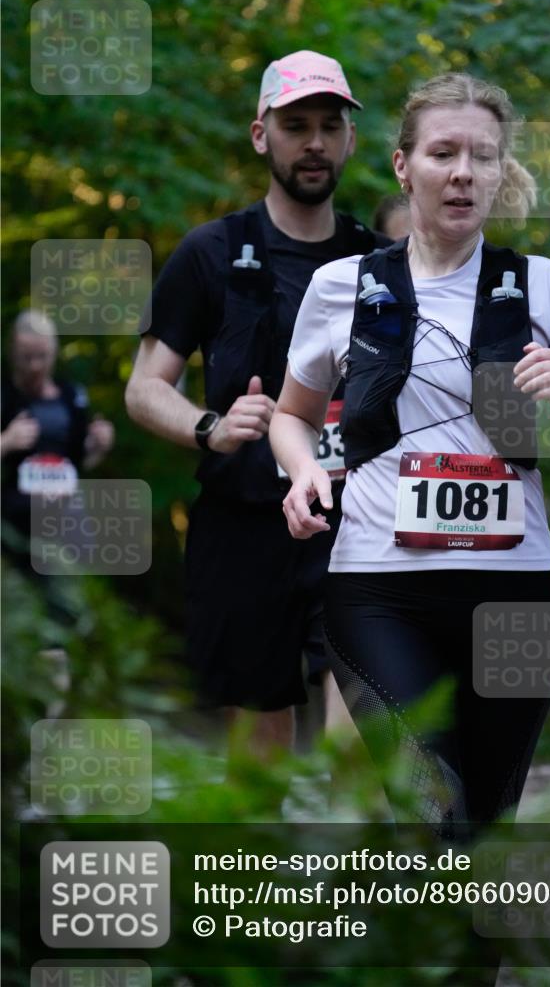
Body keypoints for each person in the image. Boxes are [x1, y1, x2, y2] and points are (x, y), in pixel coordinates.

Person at [270, 72, 550, 831]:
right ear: (404, 166)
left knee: (484, 828)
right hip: (377, 589)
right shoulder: (341, 286)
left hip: (514, 595)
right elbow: (289, 417)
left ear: (501, 173)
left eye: (484, 157)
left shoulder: (543, 285)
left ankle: (458, 955)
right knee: (433, 810)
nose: (464, 172)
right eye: (443, 153)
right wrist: (302, 472)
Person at [125, 50, 390, 756]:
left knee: (360, 723)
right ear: (259, 135)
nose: (313, 142)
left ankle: (351, 869)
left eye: (328, 126)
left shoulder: (380, 264)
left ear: (350, 139)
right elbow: (145, 387)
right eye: (295, 124)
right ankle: (259, 867)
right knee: (259, 736)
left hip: (354, 527)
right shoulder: (211, 252)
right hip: (243, 525)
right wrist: (210, 426)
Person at [2, 309, 114, 544]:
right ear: (13, 352)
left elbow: (80, 462)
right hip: (13, 522)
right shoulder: (5, 396)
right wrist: (7, 441)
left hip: (67, 521)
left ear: (53, 352)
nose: (34, 365)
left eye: (42, 356)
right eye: (26, 356)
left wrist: (99, 446)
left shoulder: (72, 398)